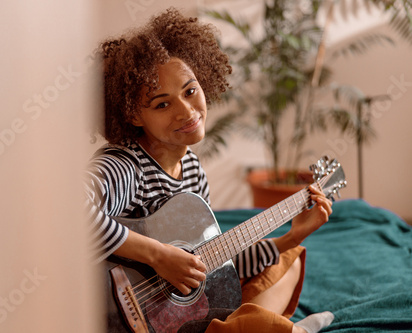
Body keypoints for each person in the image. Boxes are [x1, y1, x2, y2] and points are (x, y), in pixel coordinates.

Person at [85, 8, 334, 333]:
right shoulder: (124, 166)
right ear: (133, 116)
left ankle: (252, 325)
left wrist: (291, 236)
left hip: (171, 313)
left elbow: (213, 263)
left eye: (190, 91)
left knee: (288, 262)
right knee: (250, 314)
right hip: (115, 316)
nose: (186, 111)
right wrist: (159, 256)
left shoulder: (192, 171)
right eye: (163, 104)